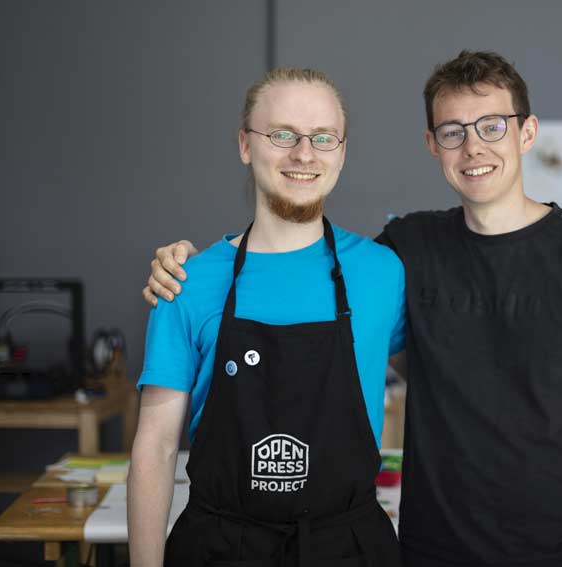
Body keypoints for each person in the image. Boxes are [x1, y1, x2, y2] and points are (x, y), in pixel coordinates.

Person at [144, 51, 562, 567]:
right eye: (453, 130)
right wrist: (188, 265)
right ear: (432, 145)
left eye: (492, 126)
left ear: (527, 133)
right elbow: (298, 265)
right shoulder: (406, 250)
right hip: (433, 549)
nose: (473, 145)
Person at [128, 67, 407, 567]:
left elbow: (445, 375)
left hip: (349, 548)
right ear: (244, 145)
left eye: (323, 138)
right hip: (220, 548)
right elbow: (155, 447)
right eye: (282, 135)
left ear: (341, 151)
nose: (304, 154)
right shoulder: (186, 281)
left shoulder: (382, 272)